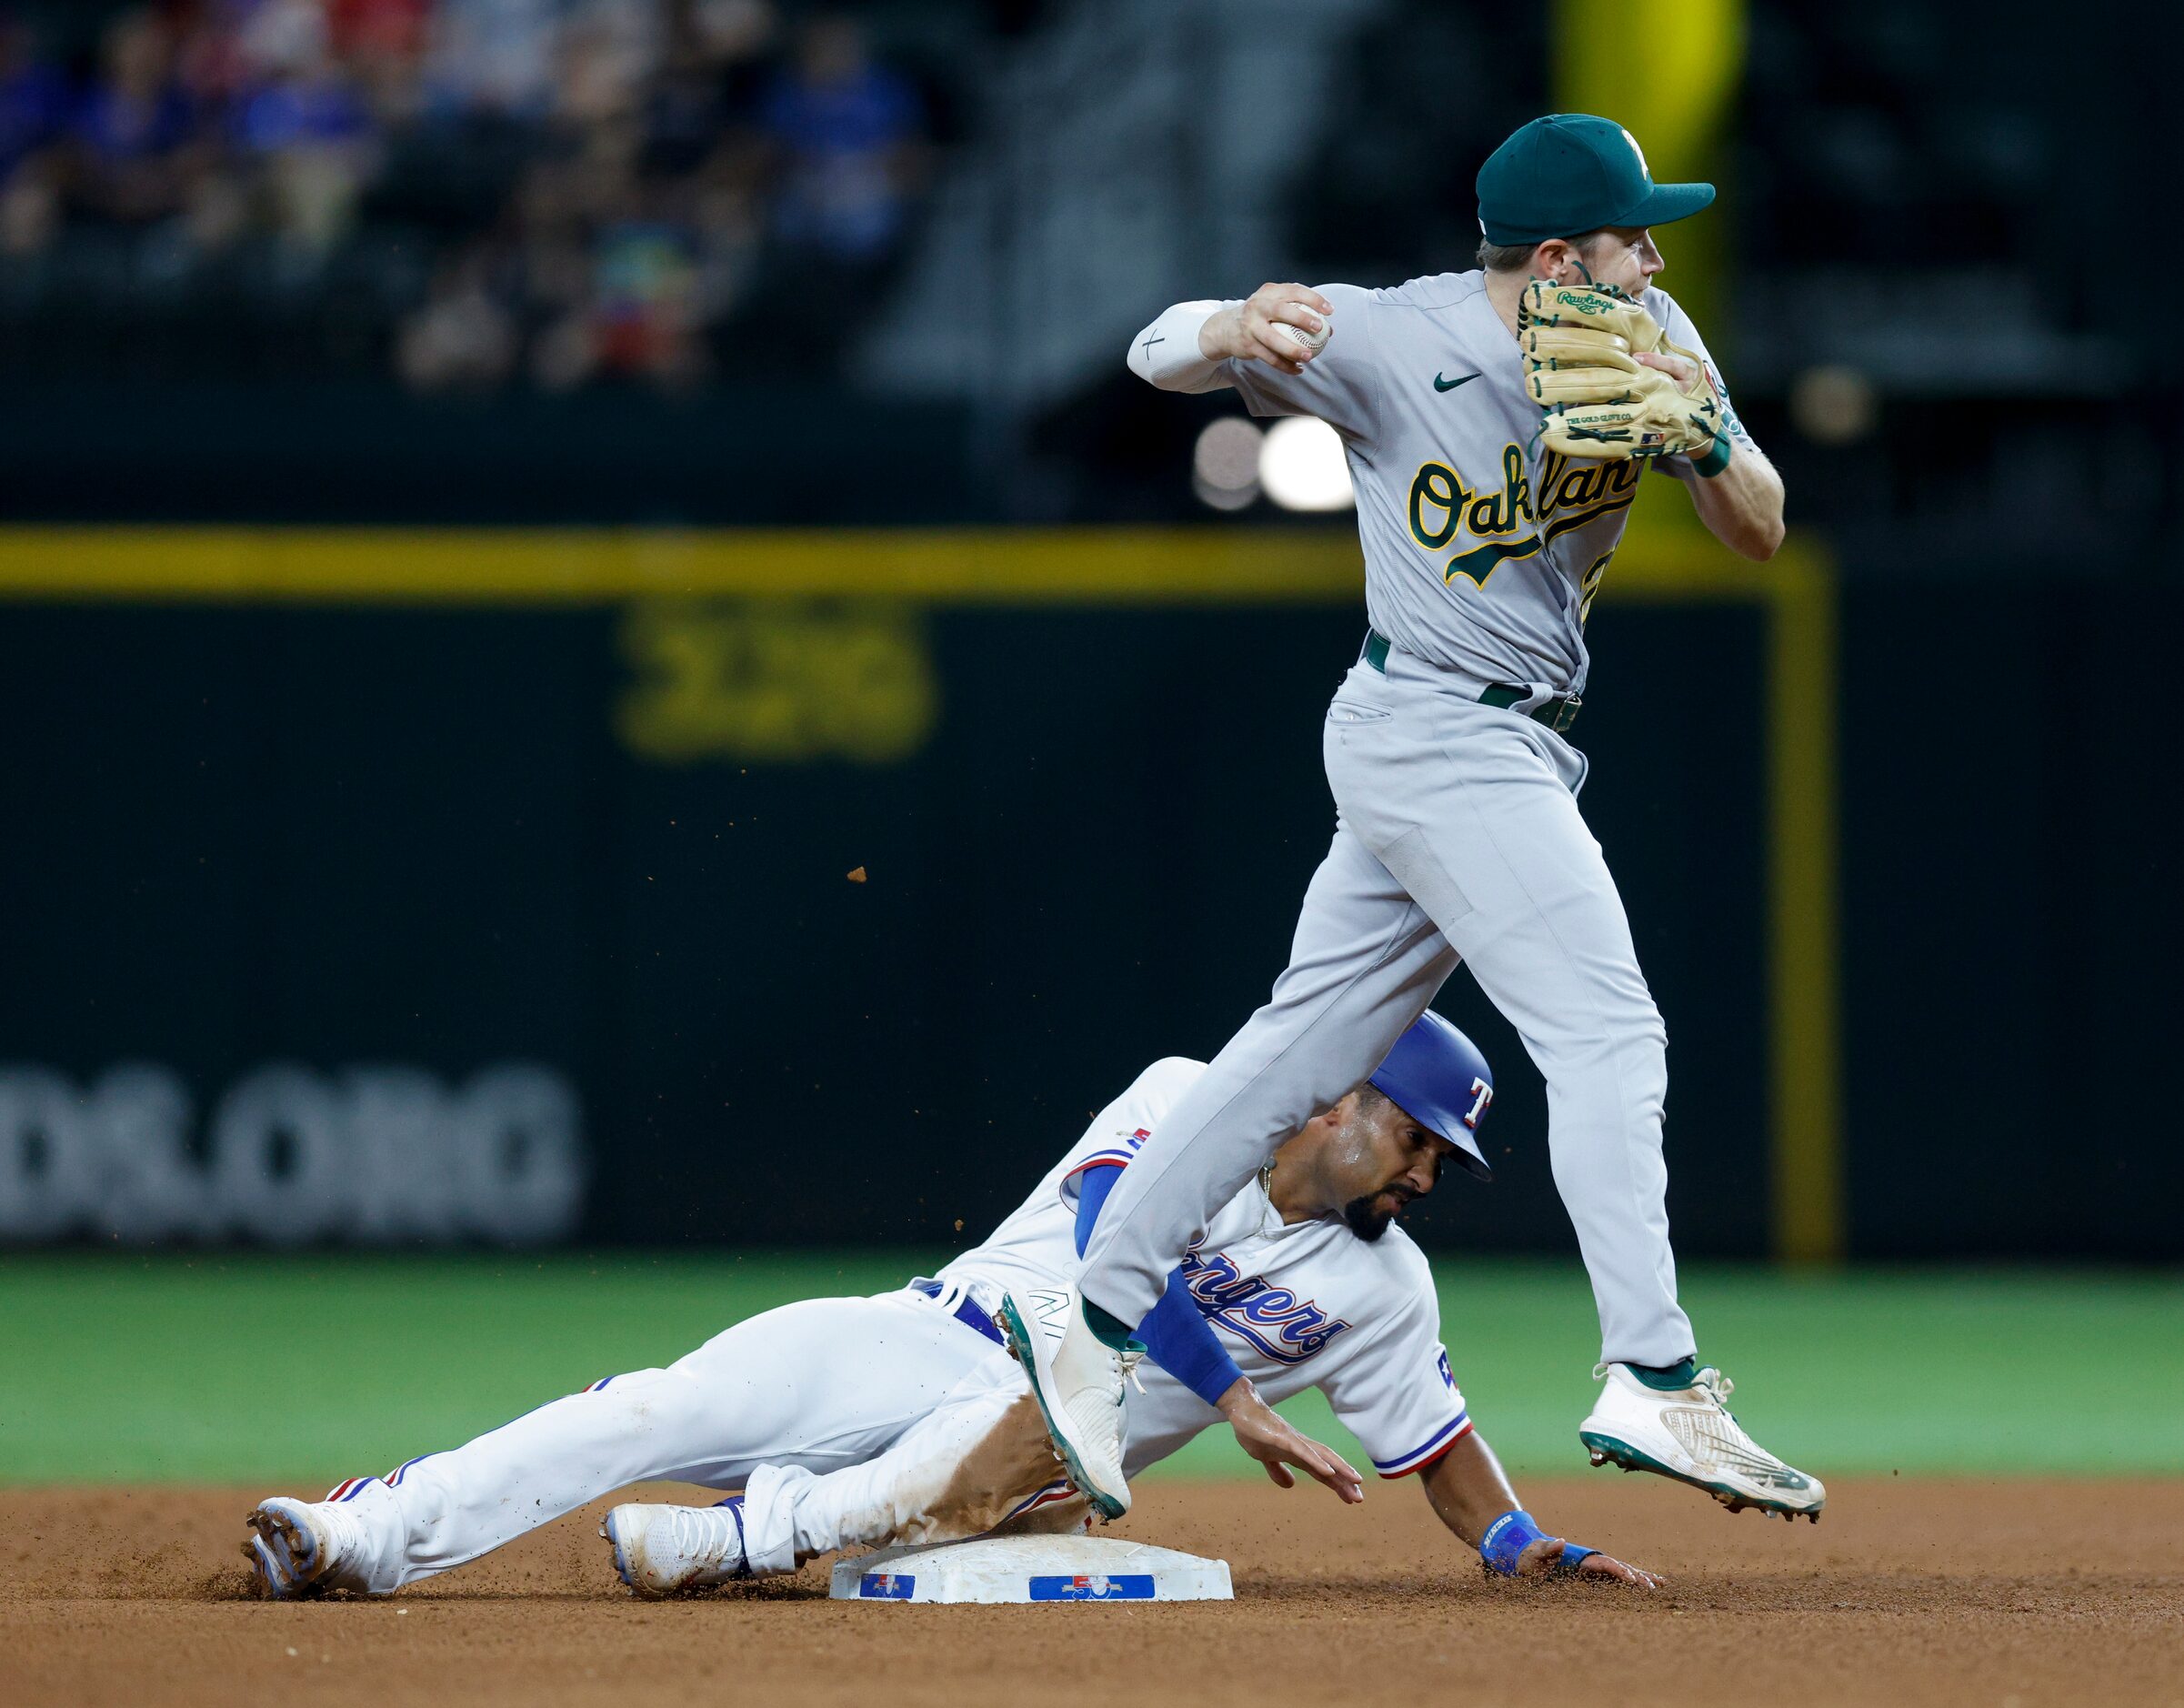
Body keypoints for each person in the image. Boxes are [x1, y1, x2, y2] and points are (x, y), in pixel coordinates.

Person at [1014, 113, 1823, 1526]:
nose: (1655, 253)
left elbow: (1756, 525)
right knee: (1607, 1030)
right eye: (1634, 235)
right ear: (1560, 258)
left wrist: (1704, 437)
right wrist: (1227, 322)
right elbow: (1152, 352)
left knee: (1290, 1048)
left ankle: (1091, 1318)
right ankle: (1652, 1371)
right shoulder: (1390, 336)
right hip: (1436, 720)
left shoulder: (1653, 329)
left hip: (1502, 736)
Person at [242, 1015, 1661, 1597]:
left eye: (1438, 1158)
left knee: (1046, 1419)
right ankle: (364, 1532)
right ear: (1345, 1095)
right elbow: (1114, 1238)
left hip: (1021, 1461)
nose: (1425, 1173)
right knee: (655, 1405)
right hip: (926, 1333)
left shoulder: (1384, 1286)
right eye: (1415, 1138)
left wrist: (1524, 1542)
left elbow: (1437, 1447)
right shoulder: (1194, 1099)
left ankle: (744, 1535)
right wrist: (1230, 1400)